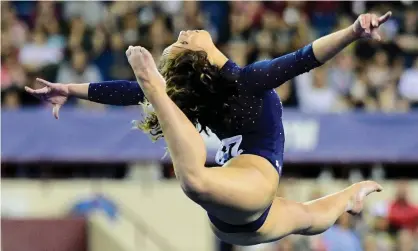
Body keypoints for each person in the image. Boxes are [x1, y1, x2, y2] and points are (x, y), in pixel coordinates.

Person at [26, 12, 391, 245]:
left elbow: (123, 93)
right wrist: (352, 32)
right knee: (195, 180)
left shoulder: (205, 93)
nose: (186, 30)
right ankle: (157, 90)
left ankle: (351, 194)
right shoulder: (248, 81)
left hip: (238, 216)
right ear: (201, 57)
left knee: (311, 217)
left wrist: (69, 89)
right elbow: (306, 57)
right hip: (248, 190)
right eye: (184, 39)